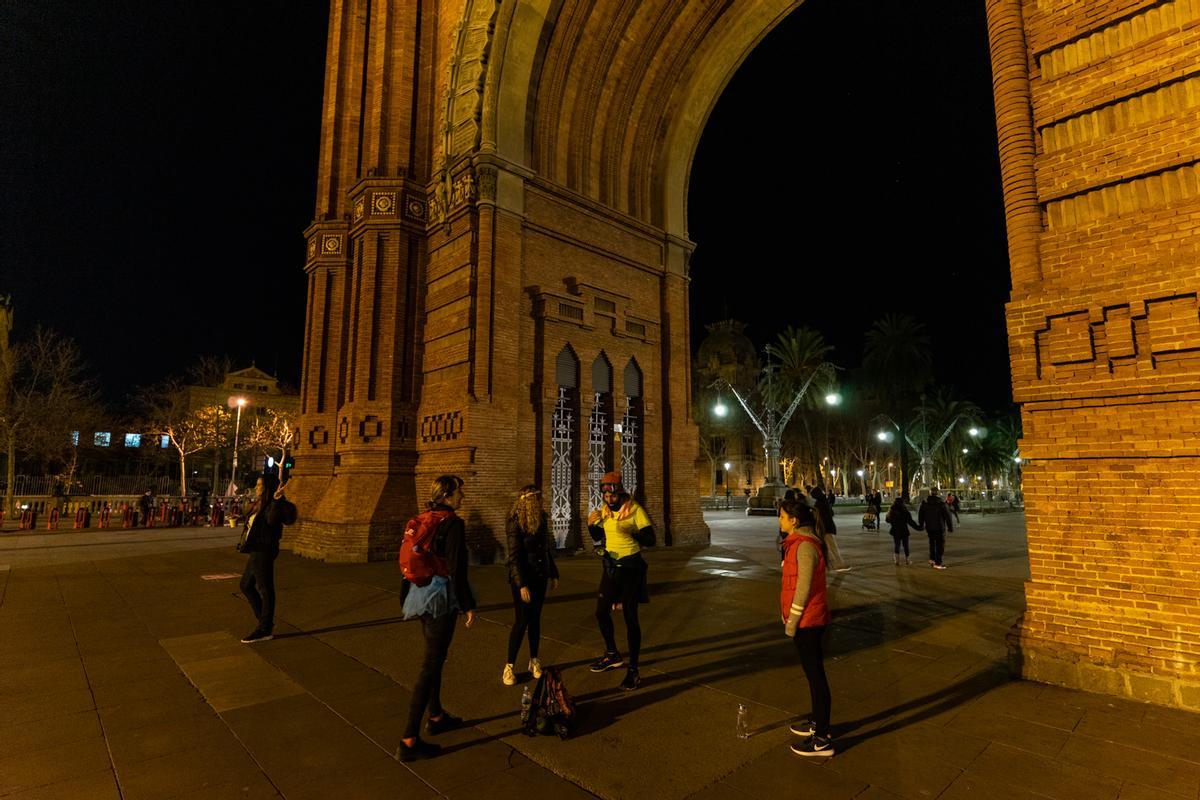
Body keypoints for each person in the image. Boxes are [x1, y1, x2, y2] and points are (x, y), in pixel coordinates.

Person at [398, 475, 477, 762]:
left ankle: (436, 715)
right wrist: (468, 604)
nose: (462, 497)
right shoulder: (452, 522)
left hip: (419, 593)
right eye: (459, 493)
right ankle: (408, 740)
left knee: (436, 657)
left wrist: (404, 596)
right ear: (446, 495)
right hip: (440, 595)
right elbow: (457, 568)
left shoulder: (423, 518)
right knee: (430, 665)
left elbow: (409, 558)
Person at [587, 471, 654, 691]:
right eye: (605, 494)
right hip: (610, 567)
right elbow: (598, 538)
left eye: (611, 494)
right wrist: (591, 526)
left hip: (631, 568)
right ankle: (612, 654)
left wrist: (632, 532)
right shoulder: (605, 511)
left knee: (630, 618)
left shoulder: (635, 510)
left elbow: (651, 540)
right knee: (600, 611)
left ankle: (633, 670)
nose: (608, 498)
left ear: (619, 491)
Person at [778, 498, 835, 757]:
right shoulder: (796, 543)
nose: (779, 521)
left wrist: (792, 621)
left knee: (816, 676)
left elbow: (803, 588)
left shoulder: (804, 546)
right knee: (813, 674)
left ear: (794, 521)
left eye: (782, 517)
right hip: (805, 619)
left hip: (808, 620)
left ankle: (822, 738)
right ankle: (817, 723)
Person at [503, 485, 559, 686]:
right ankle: (509, 666)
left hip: (540, 575)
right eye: (538, 499)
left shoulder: (542, 519)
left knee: (535, 619)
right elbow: (514, 557)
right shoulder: (515, 521)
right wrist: (521, 584)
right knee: (521, 621)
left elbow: (545, 549)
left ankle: (534, 660)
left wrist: (553, 573)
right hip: (524, 579)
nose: (541, 502)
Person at [238, 473, 297, 643]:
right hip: (256, 549)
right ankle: (265, 622)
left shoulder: (273, 504)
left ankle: (265, 628)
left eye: (260, 485)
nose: (257, 488)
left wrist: (277, 500)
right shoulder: (260, 504)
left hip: (264, 550)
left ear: (267, 488)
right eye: (256, 485)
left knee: (265, 588)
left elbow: (271, 522)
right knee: (245, 585)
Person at [809, 485, 850, 572]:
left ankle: (838, 564)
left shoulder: (818, 504)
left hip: (825, 528)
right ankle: (831, 564)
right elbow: (830, 514)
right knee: (828, 547)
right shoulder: (825, 501)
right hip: (828, 527)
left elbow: (818, 517)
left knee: (831, 547)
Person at [918, 487, 954, 570]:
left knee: (931, 542)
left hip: (929, 527)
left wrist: (921, 524)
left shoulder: (924, 503)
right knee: (940, 545)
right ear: (937, 493)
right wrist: (950, 527)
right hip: (939, 527)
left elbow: (921, 515)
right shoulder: (941, 503)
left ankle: (932, 559)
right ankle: (938, 563)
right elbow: (947, 516)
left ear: (930, 493)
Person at [884, 496, 923, 565]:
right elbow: (911, 522)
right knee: (906, 546)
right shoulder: (905, 511)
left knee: (897, 545)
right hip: (904, 531)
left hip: (895, 531)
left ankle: (897, 560)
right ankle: (907, 560)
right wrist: (919, 528)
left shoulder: (891, 511)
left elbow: (887, 520)